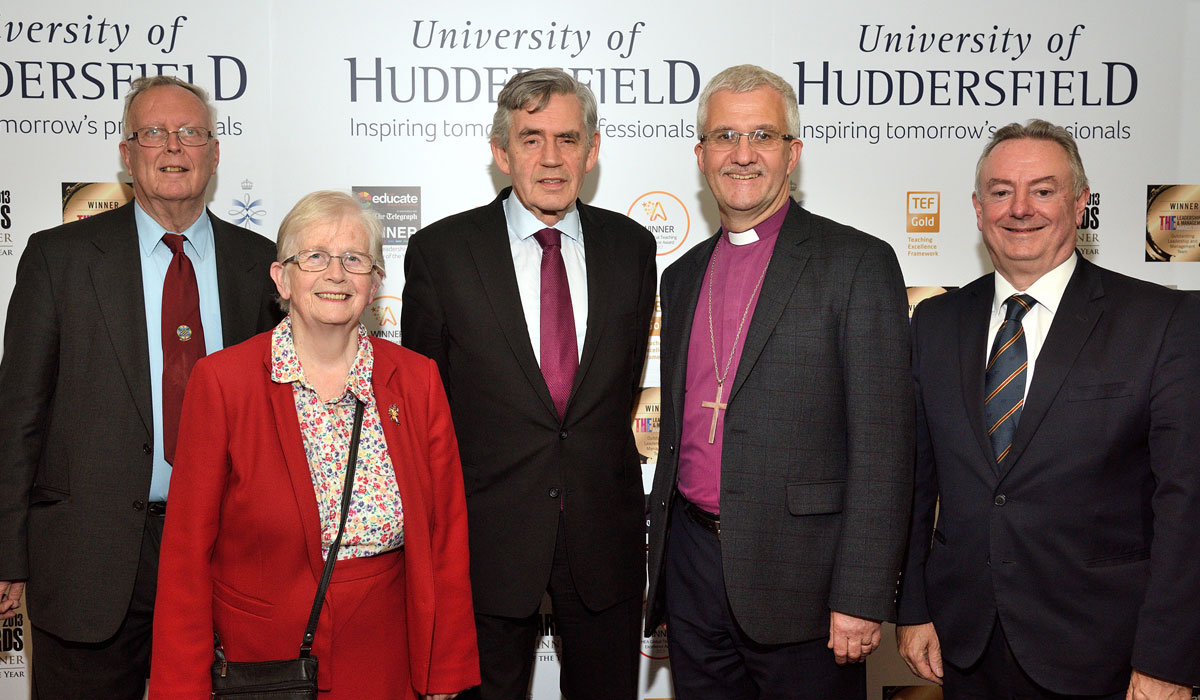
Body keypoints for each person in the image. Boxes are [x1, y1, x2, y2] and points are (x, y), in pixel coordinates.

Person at [896, 120, 1200, 699]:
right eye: (1001, 191)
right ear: (978, 208)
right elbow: (916, 483)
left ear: (1080, 203)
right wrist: (913, 609)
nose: (1020, 208)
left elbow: (1187, 504)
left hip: (1107, 652)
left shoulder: (1161, 322)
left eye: (1043, 189)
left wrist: (1169, 659)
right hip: (966, 644)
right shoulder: (935, 324)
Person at [0, 76, 280, 699]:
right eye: (153, 133)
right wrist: (7, 554)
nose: (173, 147)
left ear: (215, 152)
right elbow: (19, 413)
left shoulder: (260, 265)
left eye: (191, 133)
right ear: (126, 155)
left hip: (225, 553)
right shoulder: (58, 258)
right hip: (86, 557)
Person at [644, 64, 914, 699]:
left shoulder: (856, 263)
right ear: (701, 154)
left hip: (808, 586)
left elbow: (884, 445)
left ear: (793, 153)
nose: (742, 155)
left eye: (762, 136)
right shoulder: (681, 277)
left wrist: (861, 594)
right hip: (693, 571)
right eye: (724, 138)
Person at [149, 190, 479, 699]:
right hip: (264, 664)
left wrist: (444, 665)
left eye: (354, 259)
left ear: (375, 283)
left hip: (387, 659)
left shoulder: (416, 381)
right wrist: (182, 689)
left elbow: (445, 534)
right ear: (282, 277)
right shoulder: (223, 382)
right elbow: (186, 555)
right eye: (315, 257)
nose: (336, 274)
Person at [401, 68, 656, 700]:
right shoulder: (442, 252)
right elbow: (424, 407)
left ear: (592, 151)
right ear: (500, 151)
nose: (551, 158)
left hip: (604, 538)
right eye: (531, 138)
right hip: (486, 544)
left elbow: (620, 387)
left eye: (568, 139)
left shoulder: (632, 248)